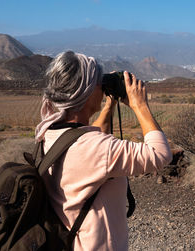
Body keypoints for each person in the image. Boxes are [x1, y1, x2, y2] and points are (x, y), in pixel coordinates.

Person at [35, 51, 172, 250]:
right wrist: (139, 105)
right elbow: (160, 154)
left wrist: (109, 105)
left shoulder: (47, 133)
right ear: (87, 92)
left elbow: (90, 138)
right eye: (99, 82)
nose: (102, 87)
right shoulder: (95, 148)